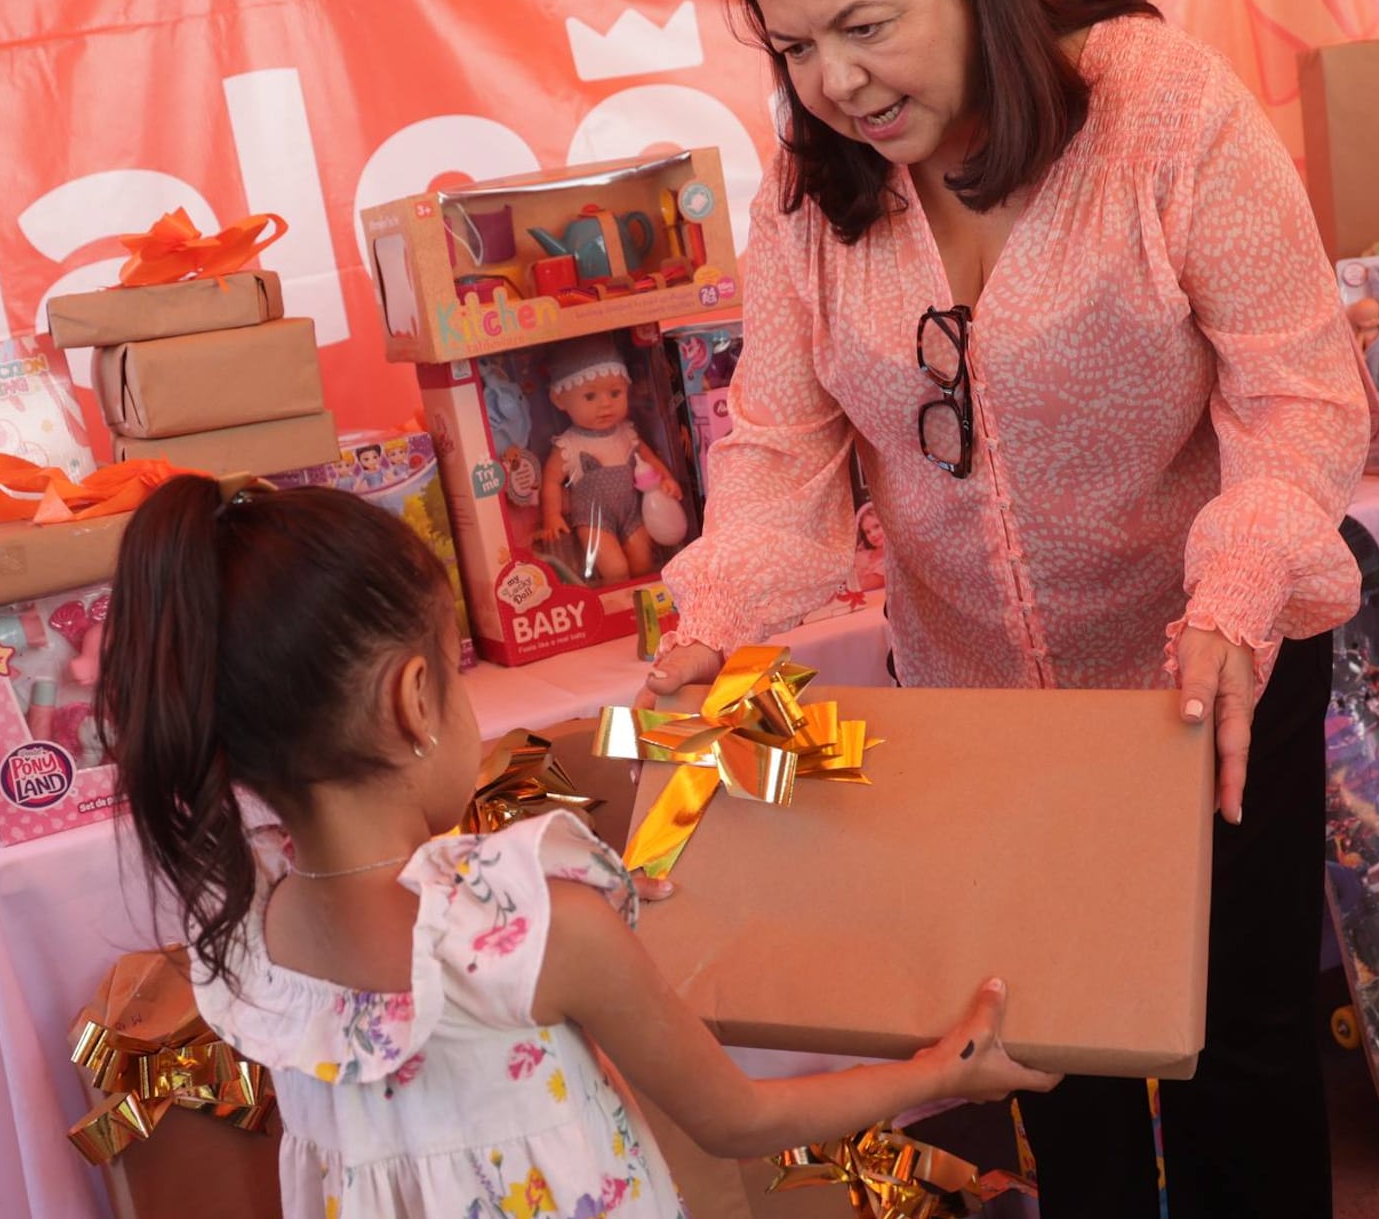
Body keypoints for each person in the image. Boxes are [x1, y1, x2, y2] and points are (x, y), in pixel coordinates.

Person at [650, 0, 1372, 1214]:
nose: (836, 84)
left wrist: (1232, 590)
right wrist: (716, 615)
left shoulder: (1156, 108)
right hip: (985, 696)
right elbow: (783, 454)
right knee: (1036, 1049)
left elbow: (1302, 396)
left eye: (867, 25)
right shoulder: (814, 194)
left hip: (1209, 664)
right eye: (794, 48)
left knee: (1241, 1040)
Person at [93, 475, 1055, 1218]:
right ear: (415, 698)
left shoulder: (257, 927)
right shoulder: (543, 927)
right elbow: (739, 1120)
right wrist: (941, 1069)